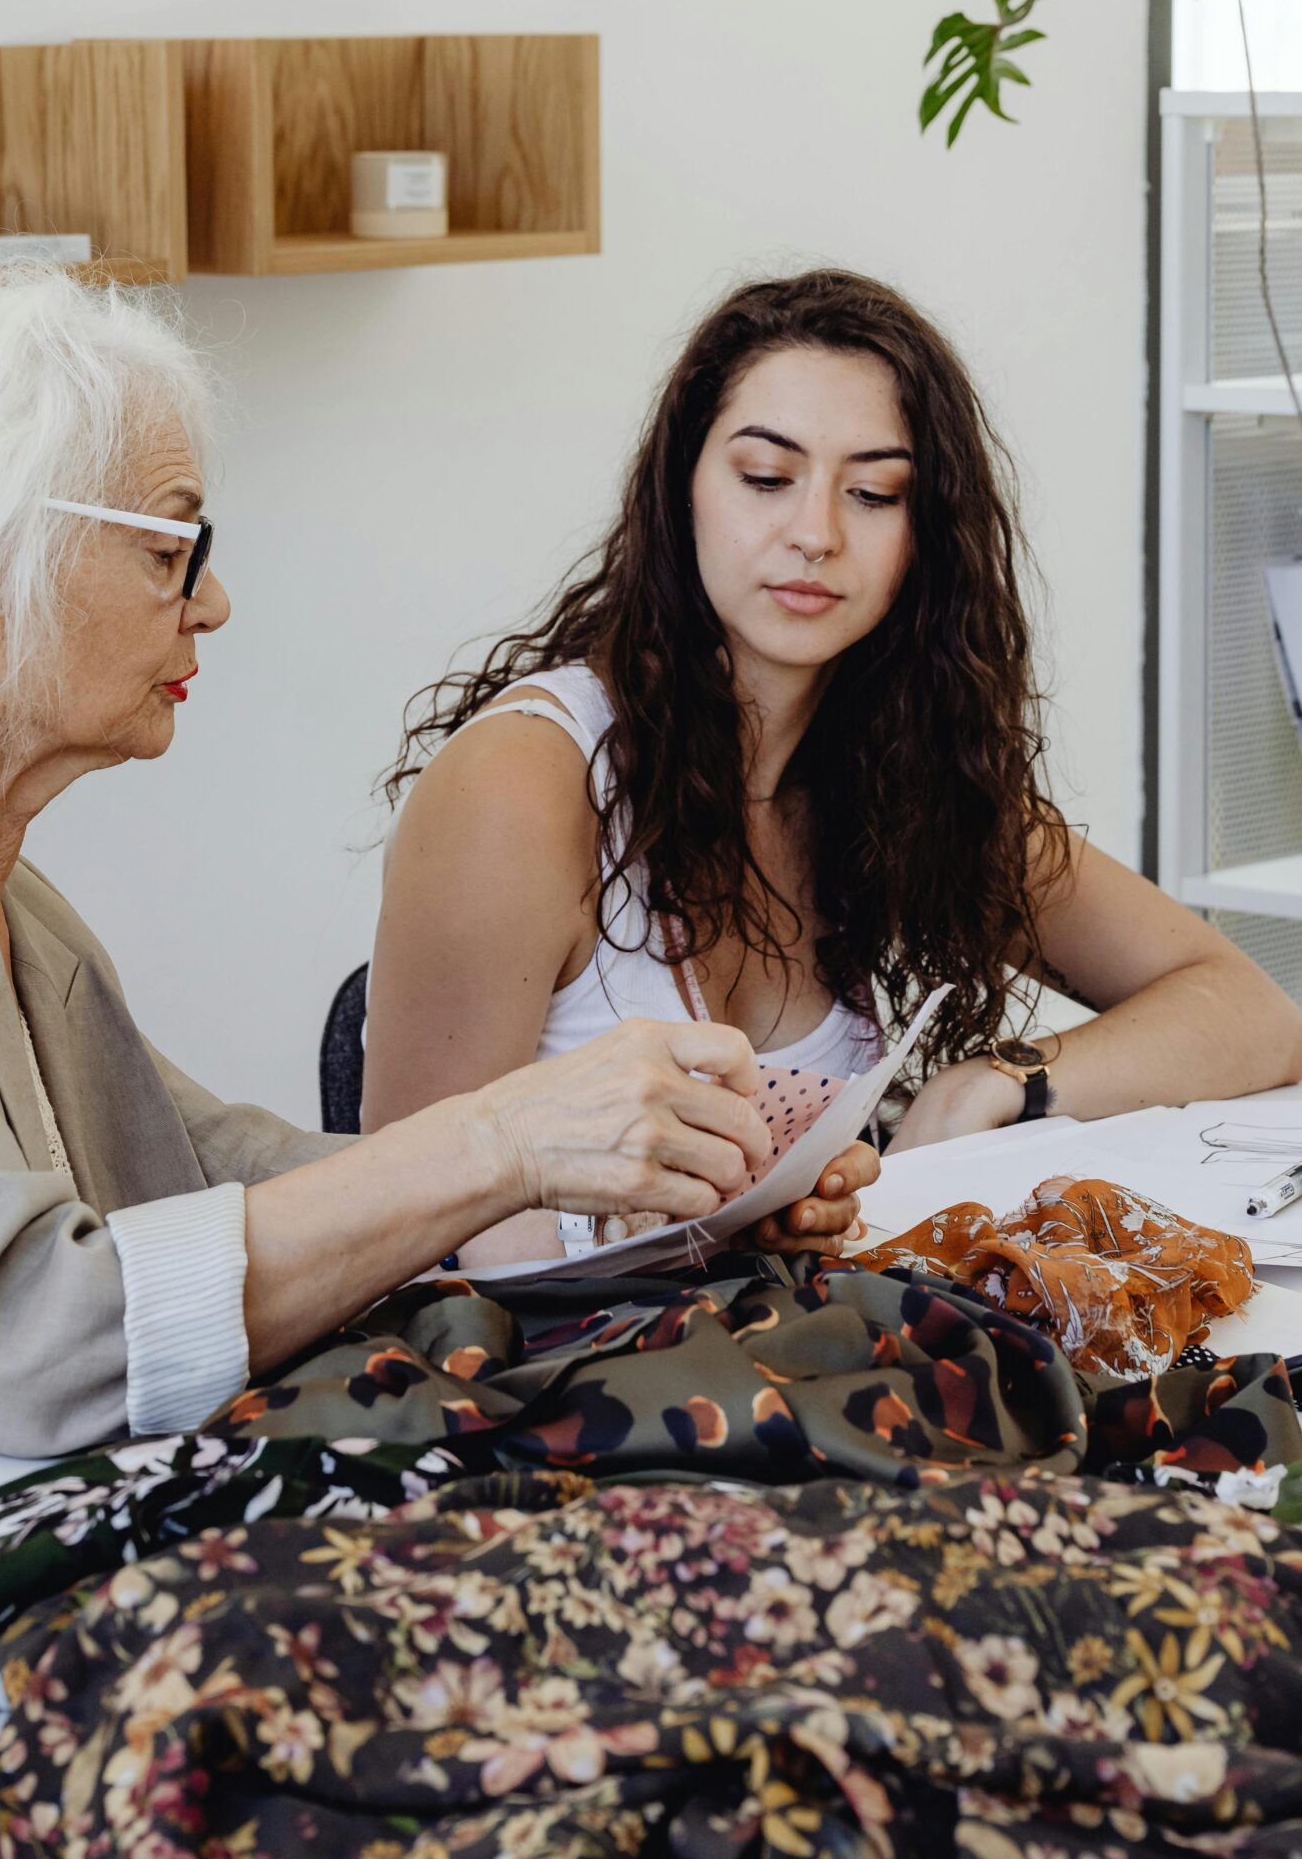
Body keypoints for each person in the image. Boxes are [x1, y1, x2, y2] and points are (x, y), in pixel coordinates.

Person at [0, 266, 869, 1859]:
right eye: (169, 546)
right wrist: (499, 1145)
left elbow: (217, 1175)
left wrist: (642, 1203)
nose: (209, 603)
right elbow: (21, 1333)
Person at [364, 267, 1302, 1271]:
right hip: (547, 1396)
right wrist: (635, 1230)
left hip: (788, 1372)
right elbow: (400, 1229)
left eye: (872, 492)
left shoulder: (898, 769)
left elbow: (1251, 1012)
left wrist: (998, 1079)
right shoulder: (523, 785)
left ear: (922, 538)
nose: (814, 533)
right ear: (682, 489)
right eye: (766, 477)